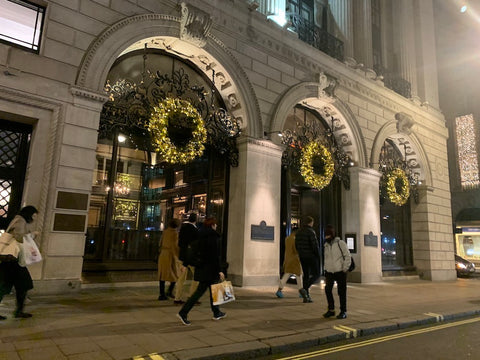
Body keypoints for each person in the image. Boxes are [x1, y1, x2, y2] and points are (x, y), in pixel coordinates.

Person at [177, 217, 226, 326]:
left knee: (211, 291)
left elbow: (192, 251)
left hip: (203, 269)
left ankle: (217, 312)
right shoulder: (213, 237)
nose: (216, 226)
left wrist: (185, 264)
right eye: (215, 224)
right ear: (212, 225)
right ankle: (183, 312)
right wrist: (220, 270)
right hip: (211, 269)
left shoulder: (200, 236)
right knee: (205, 292)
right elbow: (215, 256)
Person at [0, 205, 39, 319]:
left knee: (9, 286)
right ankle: (19, 311)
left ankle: (19, 310)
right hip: (13, 261)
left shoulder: (19, 220)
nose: (34, 218)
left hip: (12, 261)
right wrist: (33, 235)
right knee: (21, 284)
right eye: (34, 215)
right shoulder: (20, 221)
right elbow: (19, 237)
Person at [323, 224, 351, 319]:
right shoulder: (326, 245)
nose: (327, 237)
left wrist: (344, 268)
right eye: (326, 235)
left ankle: (343, 311)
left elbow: (347, 256)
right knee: (327, 290)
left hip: (340, 271)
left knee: (341, 292)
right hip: (330, 271)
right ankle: (331, 310)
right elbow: (326, 258)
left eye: (328, 235)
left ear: (332, 234)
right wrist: (326, 269)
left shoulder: (340, 243)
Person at [174, 213, 199, 305]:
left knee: (181, 278)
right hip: (192, 257)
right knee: (196, 277)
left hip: (182, 255)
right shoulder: (195, 230)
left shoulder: (183, 228)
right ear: (195, 219)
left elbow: (179, 243)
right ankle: (192, 296)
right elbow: (196, 245)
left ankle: (177, 297)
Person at [295, 215, 320, 303]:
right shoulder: (311, 232)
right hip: (311, 256)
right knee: (317, 273)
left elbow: (296, 245)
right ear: (311, 222)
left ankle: (306, 296)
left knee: (306, 275)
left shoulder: (298, 232)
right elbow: (314, 245)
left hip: (302, 256)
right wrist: (318, 255)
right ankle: (305, 289)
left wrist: (300, 253)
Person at [275, 225, 303, 298]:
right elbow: (295, 250)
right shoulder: (295, 239)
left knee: (286, 275)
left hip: (288, 259)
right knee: (299, 275)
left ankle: (279, 290)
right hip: (295, 260)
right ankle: (301, 291)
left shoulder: (287, 239)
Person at [157, 218, 181, 300]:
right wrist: (178, 256)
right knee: (175, 274)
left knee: (162, 275)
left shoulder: (165, 232)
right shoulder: (175, 234)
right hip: (171, 255)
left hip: (163, 254)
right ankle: (169, 291)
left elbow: (160, 242)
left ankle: (162, 293)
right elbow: (175, 246)